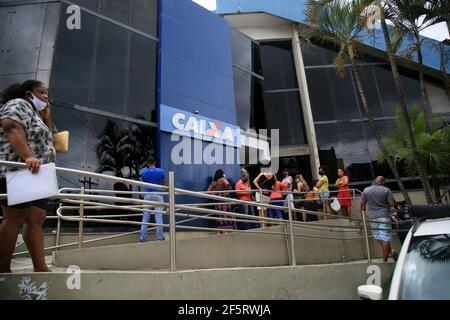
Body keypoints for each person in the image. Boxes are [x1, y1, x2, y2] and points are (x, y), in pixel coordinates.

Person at [0, 80, 55, 273]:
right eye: (41, 92)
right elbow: (11, 125)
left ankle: (41, 267)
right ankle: (3, 269)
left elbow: (51, 141)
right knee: (14, 217)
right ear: (28, 94)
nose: (46, 97)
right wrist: (28, 156)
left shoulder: (37, 115)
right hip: (19, 168)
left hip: (38, 173)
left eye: (47, 93)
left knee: (37, 217)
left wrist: (47, 118)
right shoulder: (19, 103)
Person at [361, 176, 399, 262]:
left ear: (375, 181)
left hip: (372, 217)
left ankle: (387, 255)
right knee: (385, 238)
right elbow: (392, 204)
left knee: (377, 236)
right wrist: (386, 203)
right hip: (384, 216)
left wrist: (362, 216)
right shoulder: (386, 190)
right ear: (382, 182)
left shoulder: (366, 190)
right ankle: (386, 259)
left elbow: (362, 205)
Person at [139, 157, 166, 242]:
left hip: (147, 196)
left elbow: (143, 182)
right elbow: (164, 183)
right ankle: (160, 238)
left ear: (147, 163)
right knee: (158, 217)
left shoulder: (144, 172)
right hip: (158, 195)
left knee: (145, 217)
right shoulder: (161, 171)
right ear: (155, 162)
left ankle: (143, 238)